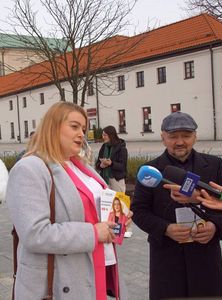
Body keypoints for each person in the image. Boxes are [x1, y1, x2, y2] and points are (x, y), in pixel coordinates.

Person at [6, 102, 131, 300]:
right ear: (52, 127)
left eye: (83, 128)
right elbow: (34, 233)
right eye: (74, 127)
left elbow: (97, 209)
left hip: (96, 267)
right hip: (61, 282)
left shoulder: (81, 166)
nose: (82, 133)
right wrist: (93, 232)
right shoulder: (29, 169)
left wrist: (119, 218)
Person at [131, 111, 222, 300]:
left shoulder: (213, 165)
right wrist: (165, 228)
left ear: (195, 137)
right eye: (173, 137)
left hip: (206, 257)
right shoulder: (150, 171)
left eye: (186, 136)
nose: (180, 142)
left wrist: (215, 226)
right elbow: (138, 211)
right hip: (167, 259)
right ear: (163, 138)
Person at [96, 126, 132, 238]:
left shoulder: (121, 148)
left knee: (121, 204)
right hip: (105, 179)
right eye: (102, 135)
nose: (103, 137)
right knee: (109, 205)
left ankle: (126, 228)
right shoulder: (103, 147)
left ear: (111, 135)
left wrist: (111, 163)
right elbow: (97, 163)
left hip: (116, 178)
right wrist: (101, 165)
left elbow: (122, 166)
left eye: (105, 135)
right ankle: (112, 227)